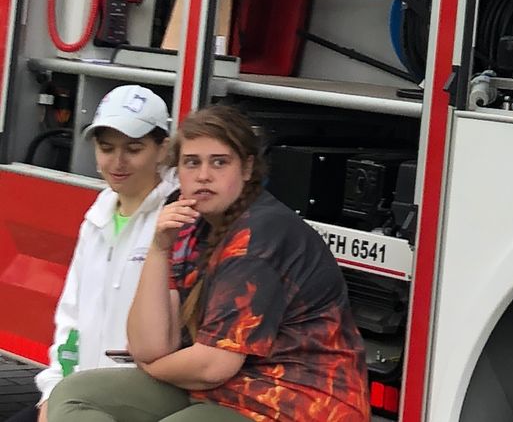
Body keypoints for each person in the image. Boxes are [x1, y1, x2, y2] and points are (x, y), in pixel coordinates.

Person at [48, 105, 369, 422]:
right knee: (75, 394)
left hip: (291, 402)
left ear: (247, 168)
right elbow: (148, 345)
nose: (203, 175)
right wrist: (158, 248)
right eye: (192, 163)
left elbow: (213, 366)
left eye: (219, 162)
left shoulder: (260, 232)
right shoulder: (187, 218)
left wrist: (152, 367)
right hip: (216, 390)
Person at [4, 85, 175, 422]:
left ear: (163, 149)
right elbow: (71, 317)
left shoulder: (176, 219)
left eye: (134, 148)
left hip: (138, 400)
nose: (118, 161)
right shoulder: (98, 214)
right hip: (80, 396)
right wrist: (54, 392)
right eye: (106, 148)